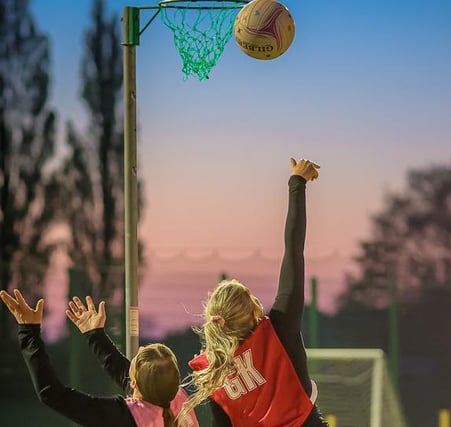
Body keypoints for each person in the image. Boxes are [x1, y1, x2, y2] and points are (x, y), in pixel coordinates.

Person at [177, 157, 329, 427]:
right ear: (253, 310)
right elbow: (293, 251)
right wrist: (297, 184)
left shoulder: (215, 373)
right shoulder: (279, 330)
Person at [0, 289, 199, 427]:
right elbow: (124, 372)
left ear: (136, 383)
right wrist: (94, 334)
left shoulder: (126, 417)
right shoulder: (177, 399)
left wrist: (28, 331)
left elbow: (51, 394)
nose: (134, 355)